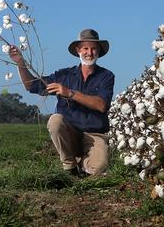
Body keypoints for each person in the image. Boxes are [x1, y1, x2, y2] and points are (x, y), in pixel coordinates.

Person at [9, 29, 115, 176]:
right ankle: (69, 166)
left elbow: (101, 105)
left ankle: (83, 163)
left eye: (93, 48)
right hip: (70, 133)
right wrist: (20, 63)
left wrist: (69, 93)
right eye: (85, 48)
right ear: (78, 50)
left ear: (98, 51)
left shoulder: (106, 76)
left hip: (94, 134)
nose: (89, 52)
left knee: (99, 167)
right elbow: (32, 85)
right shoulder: (64, 75)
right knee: (55, 120)